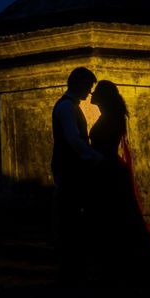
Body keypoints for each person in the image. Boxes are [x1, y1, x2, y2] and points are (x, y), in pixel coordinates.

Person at [87, 80, 150, 285]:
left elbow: (104, 145)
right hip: (109, 170)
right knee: (119, 219)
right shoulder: (112, 117)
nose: (91, 94)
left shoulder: (111, 119)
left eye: (96, 91)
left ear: (103, 96)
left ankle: (120, 268)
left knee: (116, 219)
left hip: (108, 172)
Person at [50, 66, 103, 281]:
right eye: (88, 87)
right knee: (71, 215)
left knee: (71, 214)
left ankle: (73, 264)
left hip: (69, 165)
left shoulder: (69, 106)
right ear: (79, 84)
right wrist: (94, 157)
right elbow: (73, 139)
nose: (89, 92)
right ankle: (71, 266)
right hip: (69, 167)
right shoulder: (66, 108)